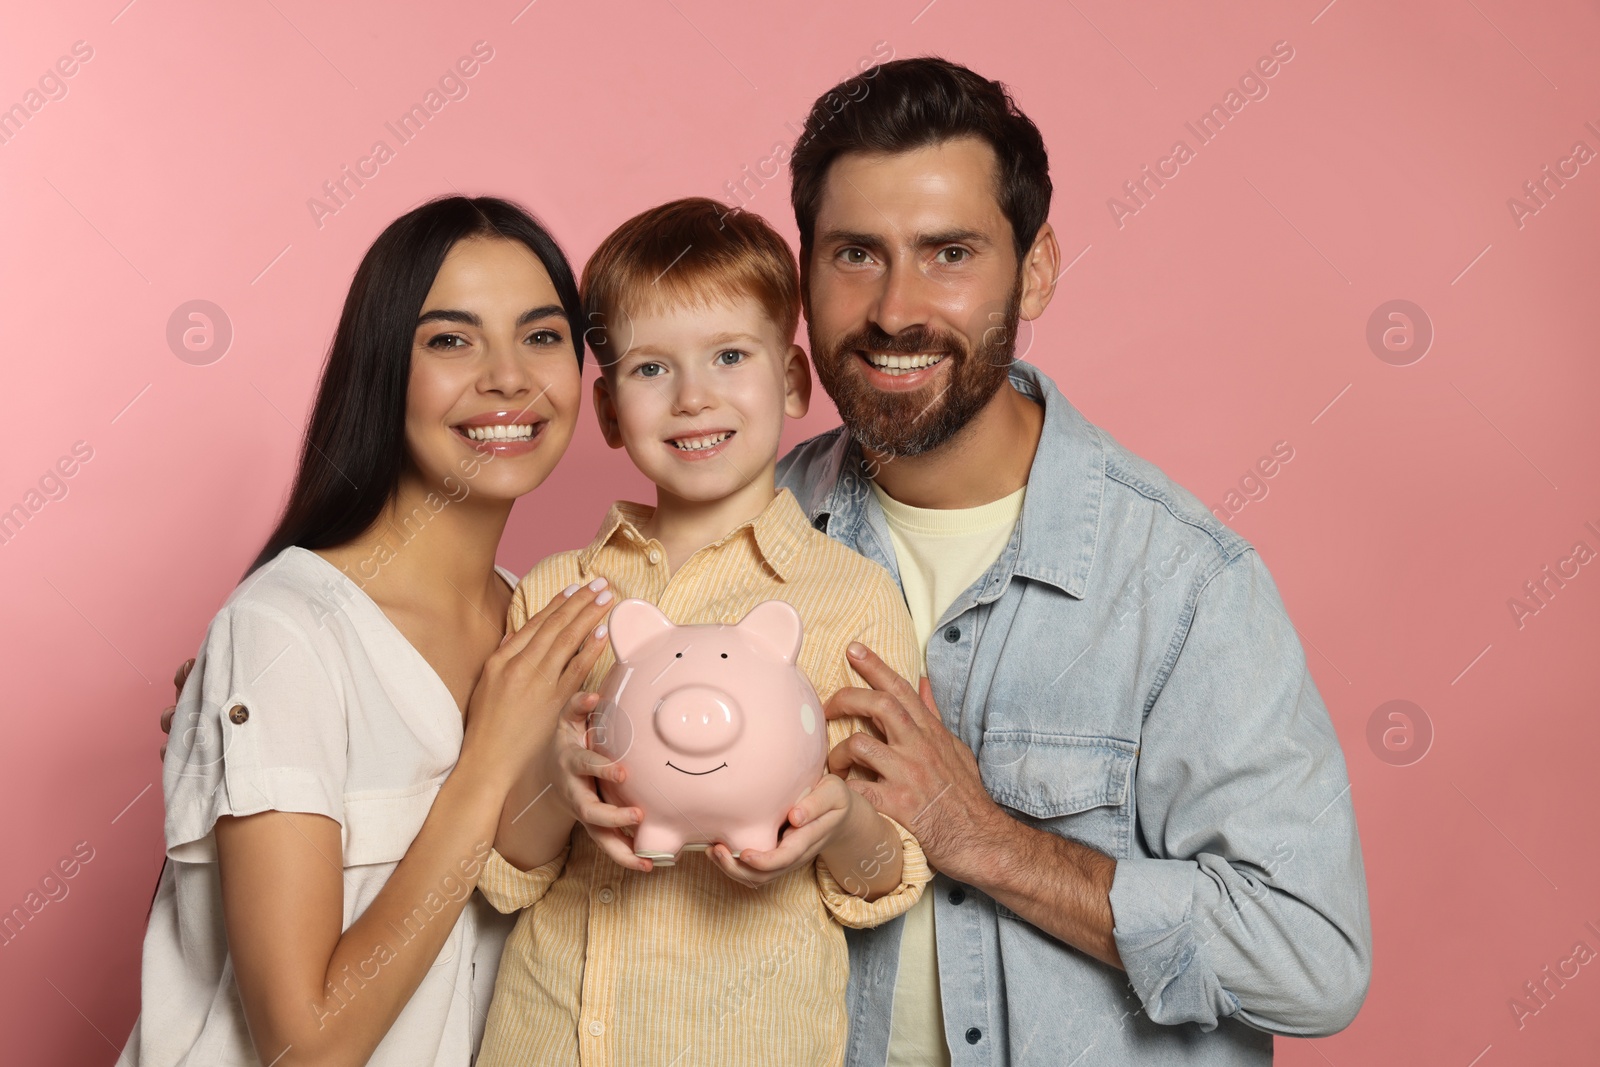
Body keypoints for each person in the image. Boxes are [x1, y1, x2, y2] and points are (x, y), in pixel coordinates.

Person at [774, 58, 1373, 1065]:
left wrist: (984, 839)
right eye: (854, 254)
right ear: (804, 272)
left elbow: (1312, 958)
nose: (892, 308)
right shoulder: (747, 533)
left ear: (1035, 268)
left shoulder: (1180, 581)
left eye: (948, 252)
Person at [127, 196, 616, 1066]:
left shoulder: (542, 627)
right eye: (451, 339)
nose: (509, 376)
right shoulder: (282, 632)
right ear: (383, 364)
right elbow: (302, 1047)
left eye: (542, 336)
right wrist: (489, 763)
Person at [469, 197, 933, 1066]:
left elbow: (884, 878)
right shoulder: (557, 593)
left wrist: (841, 826)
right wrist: (554, 786)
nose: (693, 397)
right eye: (650, 370)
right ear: (606, 409)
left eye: (729, 355)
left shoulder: (854, 599)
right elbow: (506, 867)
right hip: (545, 1037)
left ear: (793, 380)